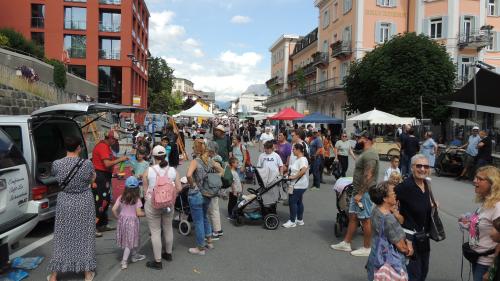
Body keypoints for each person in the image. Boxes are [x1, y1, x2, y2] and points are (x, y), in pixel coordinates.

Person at [47, 136, 96, 281]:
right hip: (83, 201)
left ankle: (54, 275)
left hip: (65, 202)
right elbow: (92, 179)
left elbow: (55, 177)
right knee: (85, 236)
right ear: (79, 148)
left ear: (66, 148)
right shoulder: (86, 164)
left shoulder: (57, 164)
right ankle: (87, 273)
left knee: (62, 236)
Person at [331, 131, 379, 257]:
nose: (357, 140)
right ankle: (346, 243)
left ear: (366, 139)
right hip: (357, 191)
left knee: (365, 220)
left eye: (359, 138)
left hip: (364, 193)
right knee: (353, 216)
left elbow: (369, 176)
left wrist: (361, 193)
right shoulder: (365, 153)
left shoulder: (371, 154)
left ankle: (367, 247)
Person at [142, 145, 182, 269]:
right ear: (165, 156)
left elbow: (144, 190)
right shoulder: (173, 171)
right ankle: (168, 254)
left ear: (153, 157)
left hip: (153, 204)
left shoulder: (149, 171)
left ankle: (158, 261)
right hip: (169, 204)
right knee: (168, 228)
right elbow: (179, 188)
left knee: (155, 231)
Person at [395, 154, 434, 281]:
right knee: (413, 275)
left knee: (424, 271)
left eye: (426, 166)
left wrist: (433, 205)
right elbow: (385, 197)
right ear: (412, 167)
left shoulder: (426, 184)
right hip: (409, 238)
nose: (423, 169)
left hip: (423, 237)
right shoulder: (406, 186)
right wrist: (395, 214)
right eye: (419, 166)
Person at [366, 181, 413, 280]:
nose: (396, 195)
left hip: (375, 257)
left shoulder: (375, 210)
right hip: (389, 263)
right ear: (384, 198)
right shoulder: (389, 219)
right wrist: (409, 249)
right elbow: (401, 247)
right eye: (394, 193)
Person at [459, 166, 500, 281]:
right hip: (477, 258)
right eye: (475, 178)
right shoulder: (486, 202)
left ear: (492, 183)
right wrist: (468, 222)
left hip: (487, 263)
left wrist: (492, 269)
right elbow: (482, 225)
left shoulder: (498, 206)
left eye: (480, 179)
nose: (474, 181)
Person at [186, 140, 223, 255]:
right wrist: (213, 179)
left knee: (198, 221)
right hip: (207, 193)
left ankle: (200, 248)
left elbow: (188, 175)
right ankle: (209, 241)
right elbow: (222, 171)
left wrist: (193, 185)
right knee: (204, 217)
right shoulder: (210, 161)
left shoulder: (195, 161)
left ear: (195, 149)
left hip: (196, 193)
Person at [92, 130, 129, 234]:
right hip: (100, 176)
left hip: (105, 176)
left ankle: (102, 224)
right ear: (110, 138)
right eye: (115, 140)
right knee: (101, 201)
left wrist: (120, 159)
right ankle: (93, 227)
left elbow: (111, 159)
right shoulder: (103, 146)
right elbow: (107, 163)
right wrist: (120, 159)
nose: (116, 142)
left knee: (106, 200)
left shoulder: (106, 147)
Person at [111, 176, 146, 270]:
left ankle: (134, 255)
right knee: (129, 243)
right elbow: (138, 213)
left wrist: (118, 217)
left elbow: (114, 209)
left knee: (130, 239)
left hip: (122, 221)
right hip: (132, 222)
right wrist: (146, 214)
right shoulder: (137, 199)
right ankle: (124, 261)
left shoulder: (121, 197)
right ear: (137, 188)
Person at [282, 143, 309, 228]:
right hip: (297, 184)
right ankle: (300, 220)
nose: (292, 151)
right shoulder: (298, 159)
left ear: (298, 150)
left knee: (292, 202)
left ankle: (292, 221)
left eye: (293, 149)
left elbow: (304, 169)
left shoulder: (302, 159)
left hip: (298, 185)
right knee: (298, 201)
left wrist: (294, 176)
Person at [206, 141, 224, 240]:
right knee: (214, 208)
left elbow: (220, 171)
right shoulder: (217, 158)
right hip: (215, 185)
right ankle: (218, 230)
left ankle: (216, 231)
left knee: (213, 209)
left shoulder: (215, 160)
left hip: (213, 186)